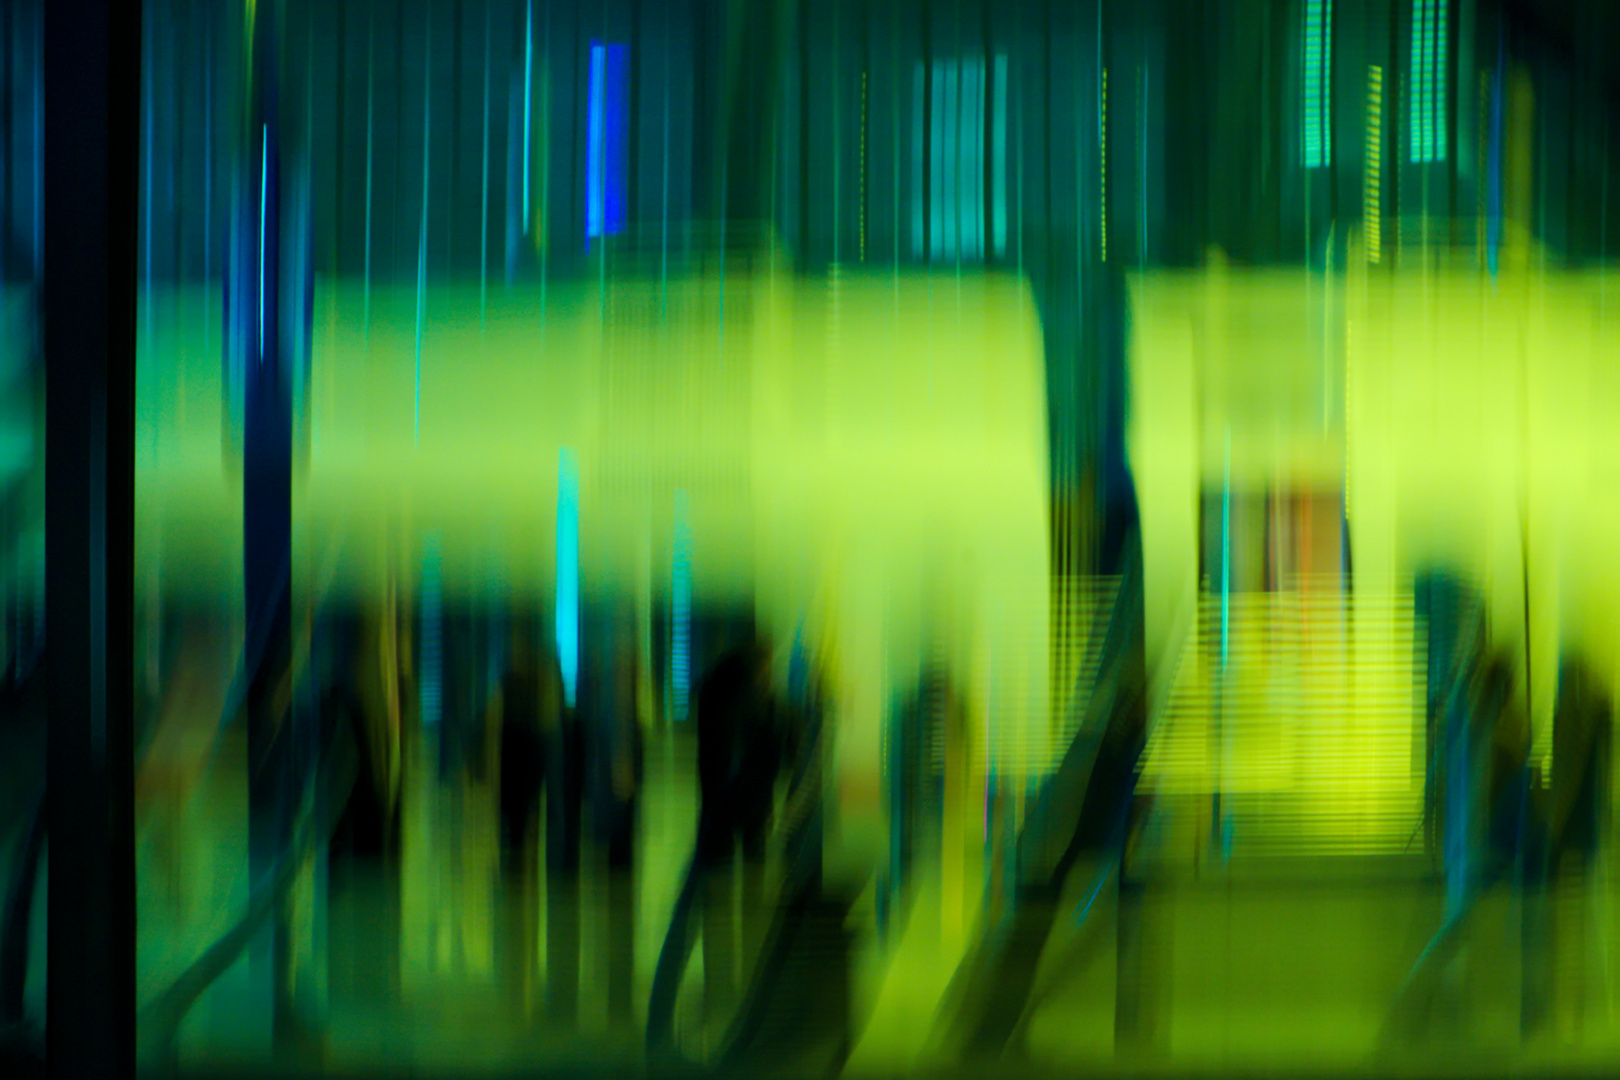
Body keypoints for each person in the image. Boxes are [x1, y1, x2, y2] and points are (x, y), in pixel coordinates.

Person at [694, 636, 785, 1019]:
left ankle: (723, 979)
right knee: (742, 896)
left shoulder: (716, 698)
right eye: (766, 667)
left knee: (721, 900)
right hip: (742, 811)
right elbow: (765, 759)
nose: (769, 675)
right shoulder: (754, 703)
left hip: (724, 810)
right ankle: (743, 978)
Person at [496, 617, 581, 1020]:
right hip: (532, 750)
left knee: (519, 822)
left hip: (524, 752)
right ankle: (527, 870)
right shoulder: (533, 676)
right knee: (527, 817)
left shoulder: (516, 677)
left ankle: (521, 874)